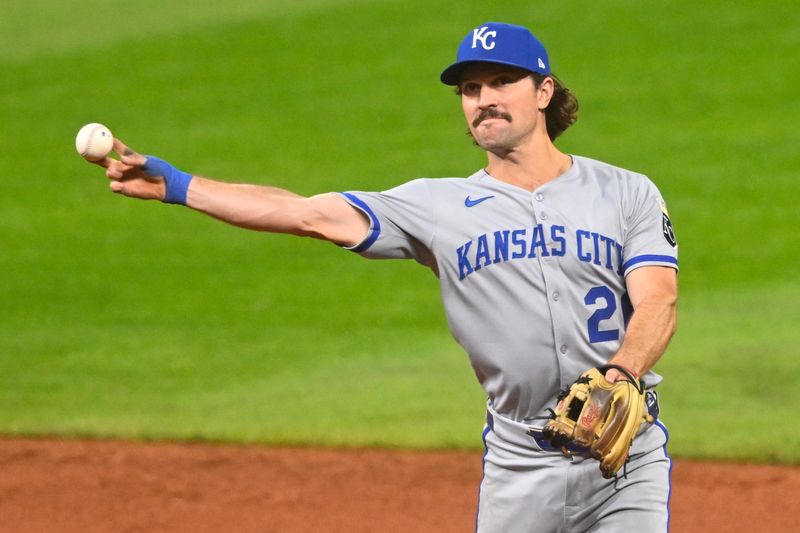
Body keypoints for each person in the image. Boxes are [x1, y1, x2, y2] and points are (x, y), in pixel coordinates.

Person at [91, 22, 678, 533]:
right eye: (470, 89)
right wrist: (179, 186)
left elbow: (658, 300)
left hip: (626, 460)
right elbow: (306, 214)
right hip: (519, 465)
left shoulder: (625, 192)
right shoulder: (438, 206)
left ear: (544, 91)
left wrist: (622, 373)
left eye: (502, 82)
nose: (484, 100)